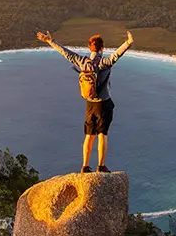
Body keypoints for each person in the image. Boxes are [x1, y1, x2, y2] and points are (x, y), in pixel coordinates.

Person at [36, 29, 134, 173]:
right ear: (102, 48)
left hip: (89, 105)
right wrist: (128, 42)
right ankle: (101, 166)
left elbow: (65, 53)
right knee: (102, 134)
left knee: (89, 135)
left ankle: (85, 166)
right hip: (103, 104)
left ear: (90, 48)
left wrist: (50, 41)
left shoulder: (82, 61)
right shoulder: (105, 62)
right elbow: (117, 54)